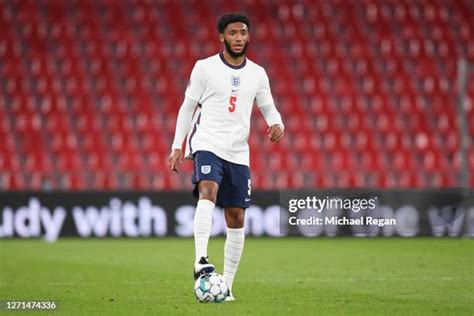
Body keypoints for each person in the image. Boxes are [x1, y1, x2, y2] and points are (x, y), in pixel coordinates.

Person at [168, 12, 284, 302]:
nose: (238, 38)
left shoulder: (257, 73)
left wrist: (277, 123)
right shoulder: (204, 68)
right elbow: (187, 107)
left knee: (236, 216)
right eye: (233, 33)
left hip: (238, 152)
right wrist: (177, 145)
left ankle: (227, 286)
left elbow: (268, 106)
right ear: (222, 36)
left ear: (248, 36)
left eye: (243, 33)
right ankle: (201, 260)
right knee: (208, 190)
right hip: (208, 142)